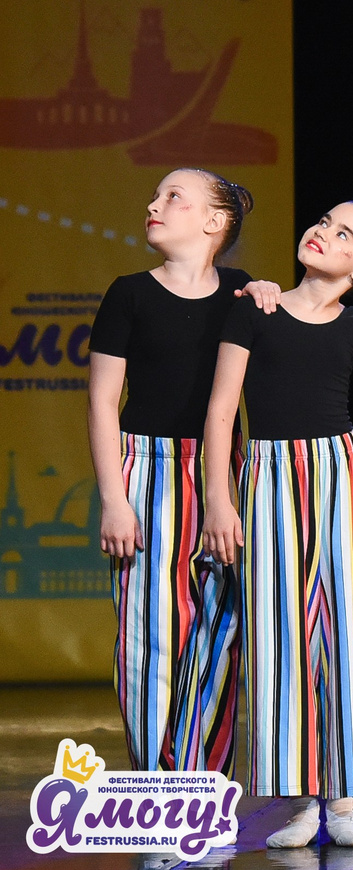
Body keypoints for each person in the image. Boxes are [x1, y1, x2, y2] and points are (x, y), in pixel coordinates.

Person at [199, 202, 353, 847]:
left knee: (350, 634)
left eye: (345, 234)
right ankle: (298, 803)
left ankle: (343, 803)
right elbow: (221, 410)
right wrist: (218, 499)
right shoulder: (254, 309)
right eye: (324, 221)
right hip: (267, 476)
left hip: (340, 476)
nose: (323, 232)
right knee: (280, 632)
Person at [89, 169, 254, 774]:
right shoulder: (129, 294)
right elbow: (103, 401)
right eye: (156, 195)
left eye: (173, 197)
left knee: (220, 631)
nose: (154, 204)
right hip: (149, 470)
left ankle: (202, 781)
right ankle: (161, 785)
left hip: (222, 475)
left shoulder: (243, 293)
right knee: (151, 635)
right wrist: (115, 499)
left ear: (215, 222)